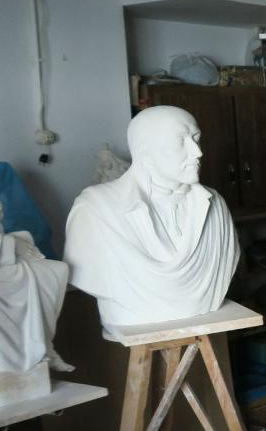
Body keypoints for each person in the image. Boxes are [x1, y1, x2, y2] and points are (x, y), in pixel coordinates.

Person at [64, 106, 239, 328]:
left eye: (196, 138)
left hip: (205, 309)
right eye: (180, 142)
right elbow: (84, 271)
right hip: (129, 318)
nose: (197, 152)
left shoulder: (215, 204)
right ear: (145, 153)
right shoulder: (95, 209)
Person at [0, 167, 71, 376]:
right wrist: (11, 243)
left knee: (57, 271)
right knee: (37, 276)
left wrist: (14, 239)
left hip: (0, 263)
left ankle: (45, 345)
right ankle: (40, 351)